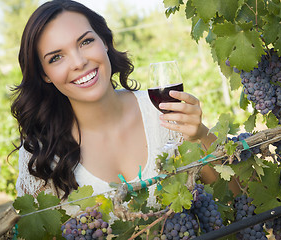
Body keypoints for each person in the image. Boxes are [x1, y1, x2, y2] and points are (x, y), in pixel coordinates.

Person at [11, 0, 217, 212]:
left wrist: (199, 136)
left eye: (85, 42)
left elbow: (233, 198)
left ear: (105, 41)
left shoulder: (162, 110)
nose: (78, 62)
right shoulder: (41, 153)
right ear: (45, 74)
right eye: (56, 57)